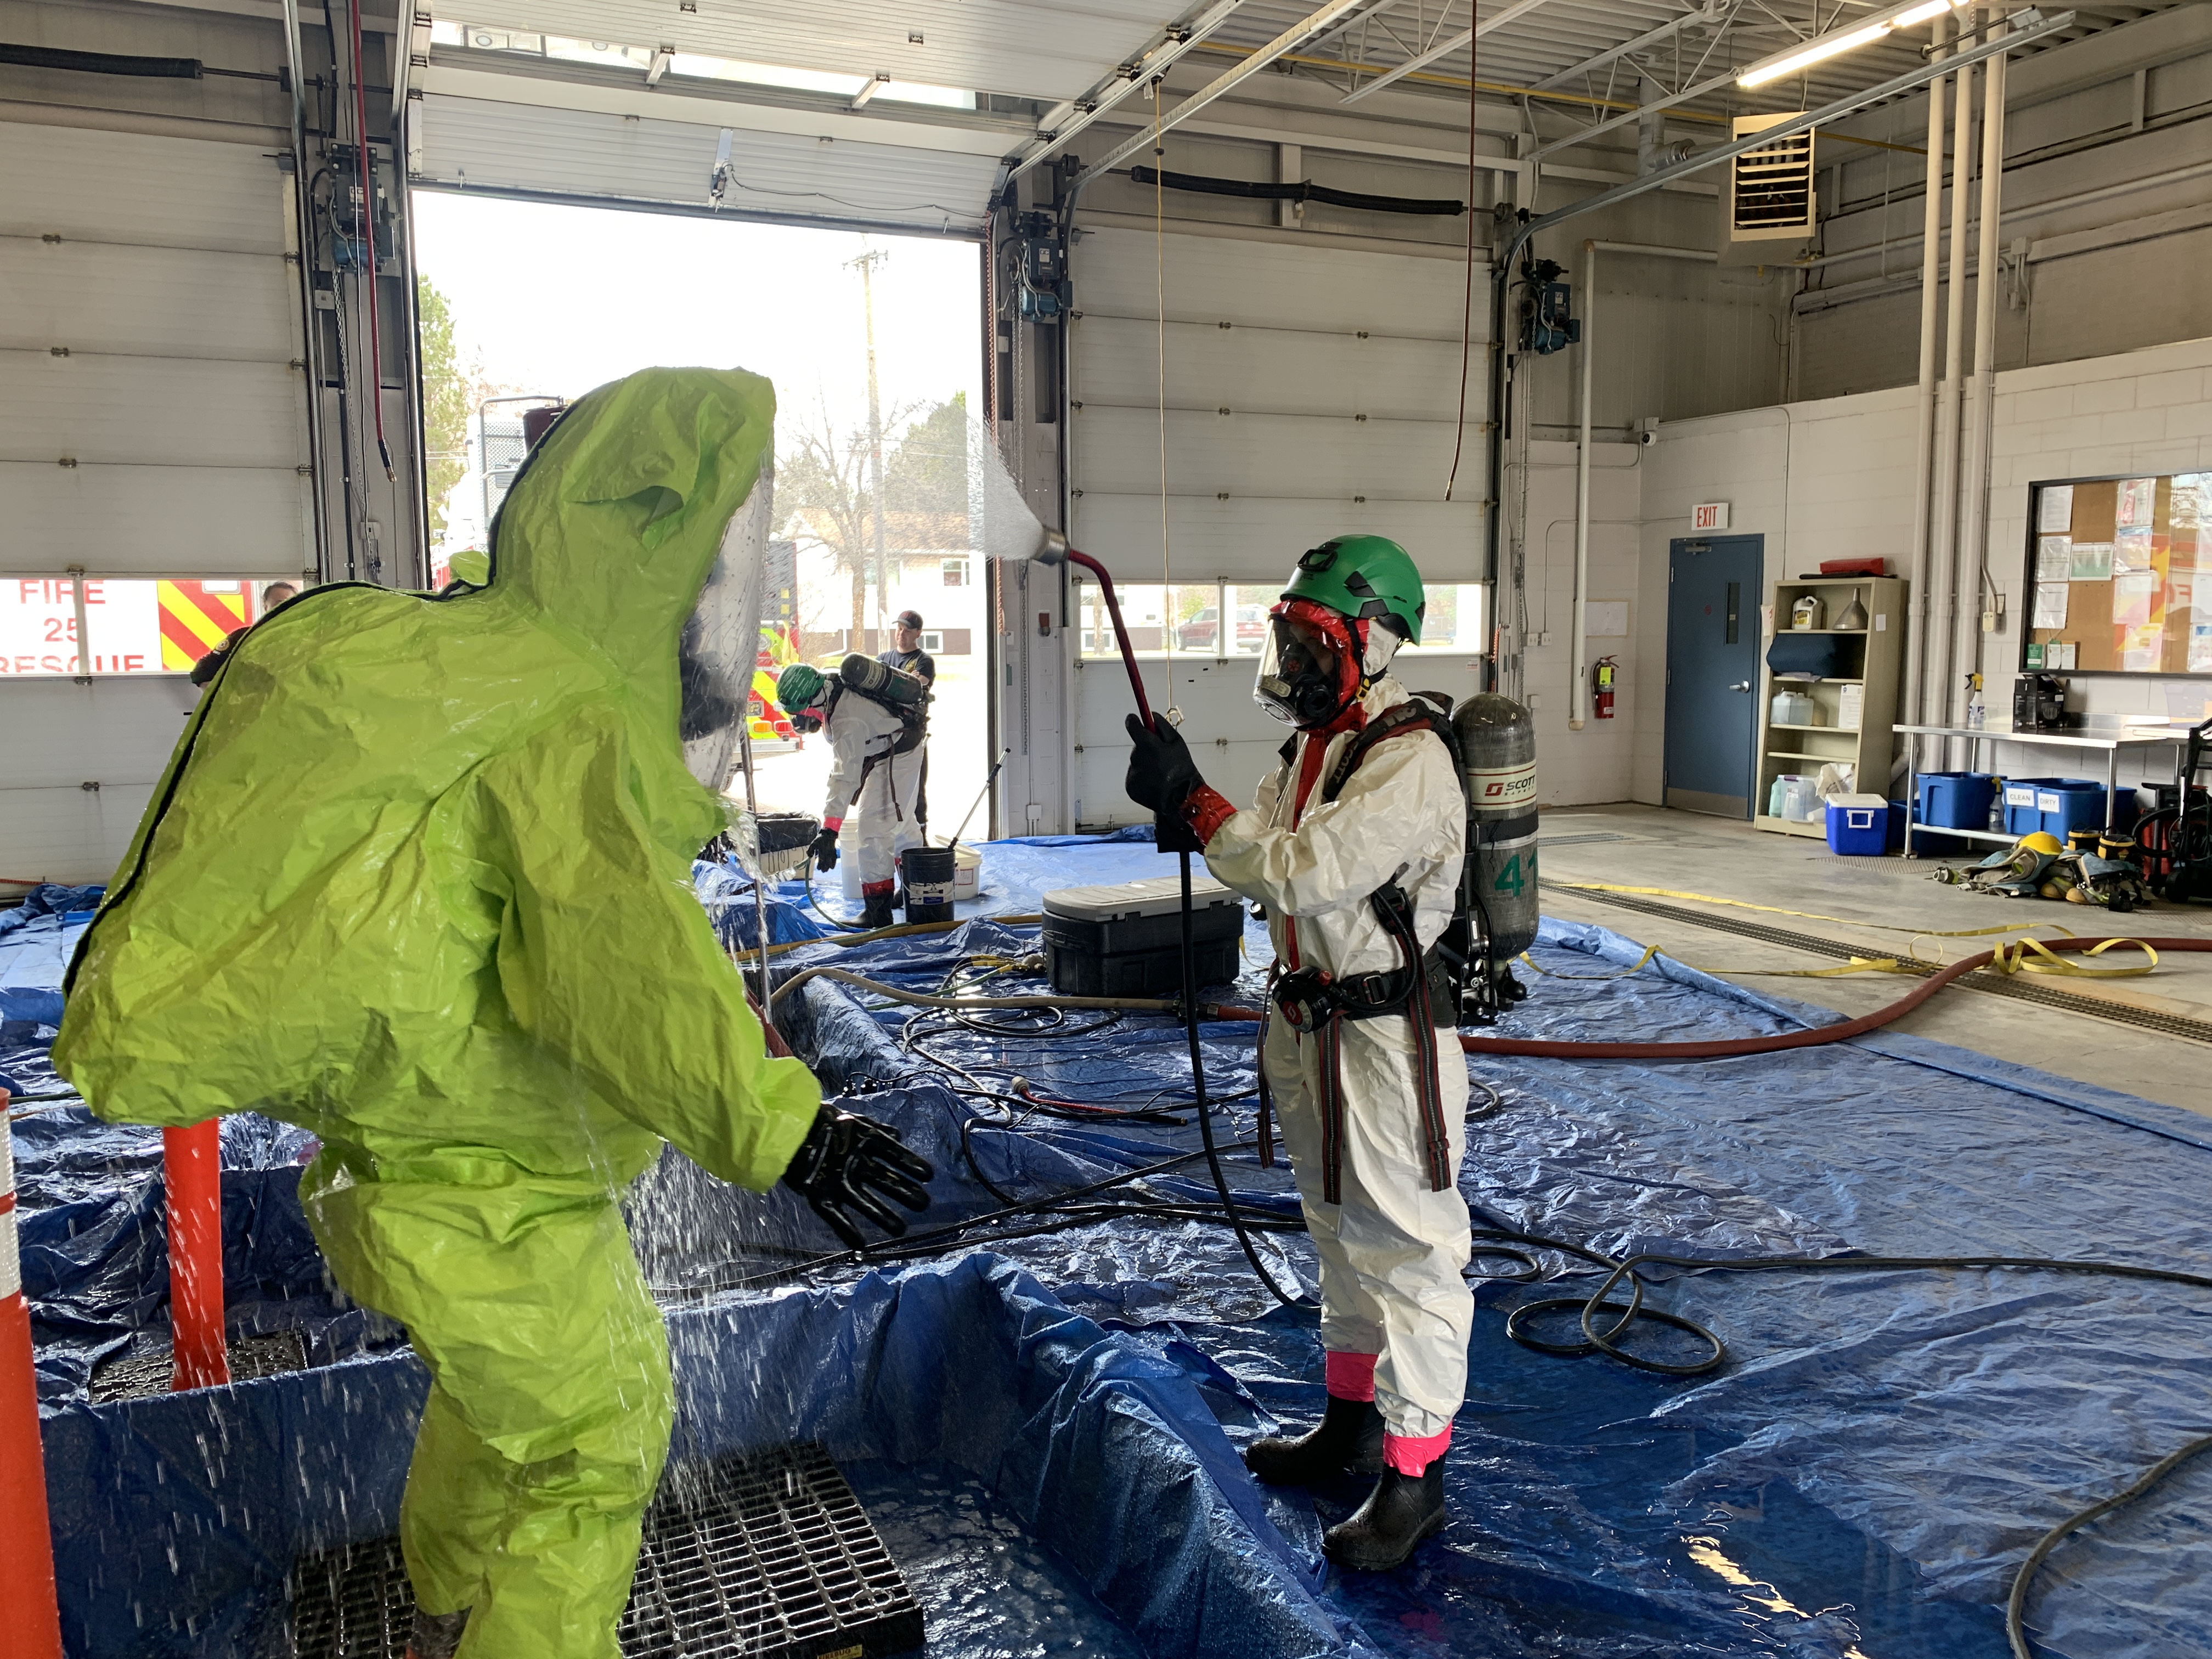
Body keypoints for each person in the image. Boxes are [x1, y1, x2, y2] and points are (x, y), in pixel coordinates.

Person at [54, 368, 934, 1659]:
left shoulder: (478, 662)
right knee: (600, 1440)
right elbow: (615, 962)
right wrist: (784, 1133)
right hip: (486, 1186)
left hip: (438, 1165)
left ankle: (444, 1597)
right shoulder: (561, 713)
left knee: (502, 1396)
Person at [1122, 535, 1469, 1573]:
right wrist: (1186, 804)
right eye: (1289, 636)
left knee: (1407, 1249)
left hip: (1380, 1039)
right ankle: (1351, 1420)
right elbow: (1259, 849)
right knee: (1334, 1230)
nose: (1299, 660)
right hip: (1309, 1027)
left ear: (1375, 636)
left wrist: (1196, 804)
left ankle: (1415, 1476)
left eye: (1317, 639)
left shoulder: (1409, 758)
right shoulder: (1312, 748)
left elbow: (1301, 871)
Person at [776, 656, 916, 931]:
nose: (800, 719)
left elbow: (844, 777)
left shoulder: (847, 720)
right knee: (900, 822)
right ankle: (917, 894)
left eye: (801, 711)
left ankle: (878, 913)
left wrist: (829, 831)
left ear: (813, 700)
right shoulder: (828, 685)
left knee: (873, 830)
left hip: (897, 750)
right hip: (888, 743)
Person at [876, 608, 935, 878]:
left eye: (908, 630)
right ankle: (889, 854)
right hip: (883, 742)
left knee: (915, 798)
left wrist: (888, 688)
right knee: (883, 797)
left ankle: (920, 852)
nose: (902, 634)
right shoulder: (883, 659)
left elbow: (915, 687)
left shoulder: (924, 661)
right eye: (899, 628)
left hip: (912, 741)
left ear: (918, 633)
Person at [187, 580, 297, 685]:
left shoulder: (305, 637)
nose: (285, 609)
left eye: (290, 604)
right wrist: (224, 699)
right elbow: (202, 672)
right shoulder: (244, 637)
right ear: (265, 607)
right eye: (279, 604)